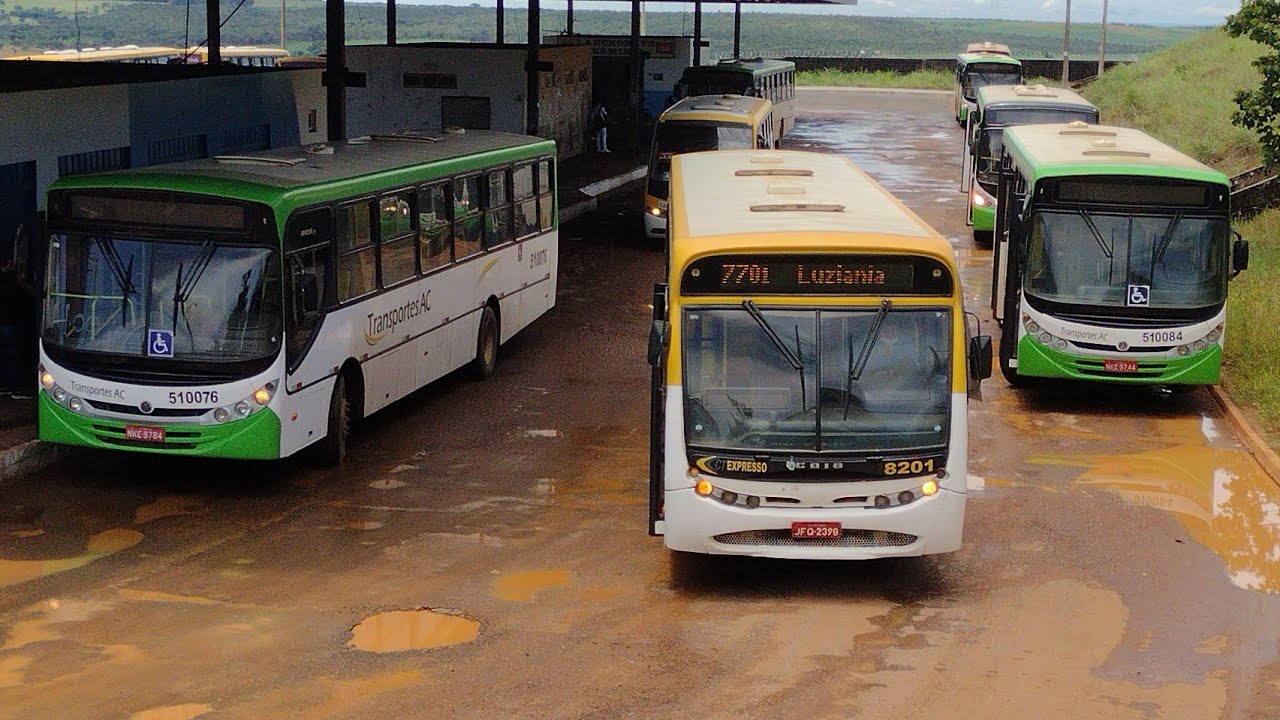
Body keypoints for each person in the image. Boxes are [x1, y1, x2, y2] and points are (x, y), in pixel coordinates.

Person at [0, 256, 33, 399]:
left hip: (4, 322)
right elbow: (29, 293)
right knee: (13, 356)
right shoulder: (11, 279)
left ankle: (4, 386)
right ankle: (17, 389)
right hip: (10, 323)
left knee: (3, 356)